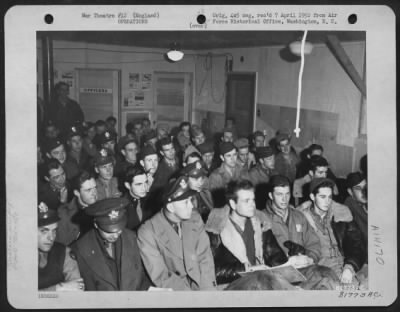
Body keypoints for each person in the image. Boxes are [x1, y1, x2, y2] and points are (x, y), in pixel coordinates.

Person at [137, 176, 217, 290]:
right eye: (186, 202)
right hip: (177, 293)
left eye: (190, 200)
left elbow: (205, 259)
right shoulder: (147, 232)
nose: (191, 205)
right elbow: (162, 276)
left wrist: (207, 295)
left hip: (201, 287)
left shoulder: (195, 219)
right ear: (171, 207)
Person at [205, 180, 289, 286]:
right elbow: (214, 271)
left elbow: (276, 256)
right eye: (246, 201)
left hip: (260, 283)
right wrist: (248, 269)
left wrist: (291, 263)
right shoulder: (216, 229)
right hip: (233, 287)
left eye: (253, 200)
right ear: (233, 204)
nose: (252, 205)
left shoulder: (261, 224)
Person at [262, 175, 339, 290]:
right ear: (270, 195)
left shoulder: (299, 216)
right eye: (279, 194)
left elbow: (314, 244)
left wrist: (309, 258)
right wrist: (287, 262)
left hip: (303, 270)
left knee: (327, 275)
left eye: (287, 194)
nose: (284, 199)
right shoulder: (262, 219)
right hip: (276, 274)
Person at [70, 198, 152, 290]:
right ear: (96, 225)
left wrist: (148, 288)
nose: (115, 235)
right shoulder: (80, 249)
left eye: (119, 229)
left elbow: (141, 276)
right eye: (109, 231)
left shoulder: (131, 237)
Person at [298, 178, 367, 287]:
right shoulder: (301, 219)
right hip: (320, 268)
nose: (327, 201)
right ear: (312, 197)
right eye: (322, 197)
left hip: (346, 262)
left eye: (330, 197)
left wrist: (350, 266)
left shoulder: (342, 214)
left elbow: (357, 244)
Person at [38, 201, 84, 291]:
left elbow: (78, 287)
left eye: (54, 231)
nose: (51, 238)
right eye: (44, 231)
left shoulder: (64, 251)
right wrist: (58, 288)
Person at [56, 171, 98, 246]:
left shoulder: (101, 206)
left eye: (95, 188)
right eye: (88, 190)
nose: (94, 193)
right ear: (77, 193)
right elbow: (61, 248)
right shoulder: (64, 214)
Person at [209, 142, 249, 206]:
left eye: (234, 154)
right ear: (222, 157)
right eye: (228, 155)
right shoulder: (215, 176)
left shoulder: (242, 171)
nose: (232, 159)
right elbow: (216, 202)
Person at [123, 166, 154, 230]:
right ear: (128, 185)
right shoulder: (122, 207)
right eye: (139, 184)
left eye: (145, 182)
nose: (144, 188)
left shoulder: (151, 200)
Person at [344, 172, 368, 254]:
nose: (363, 191)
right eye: (358, 188)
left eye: (365, 187)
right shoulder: (349, 204)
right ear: (350, 192)